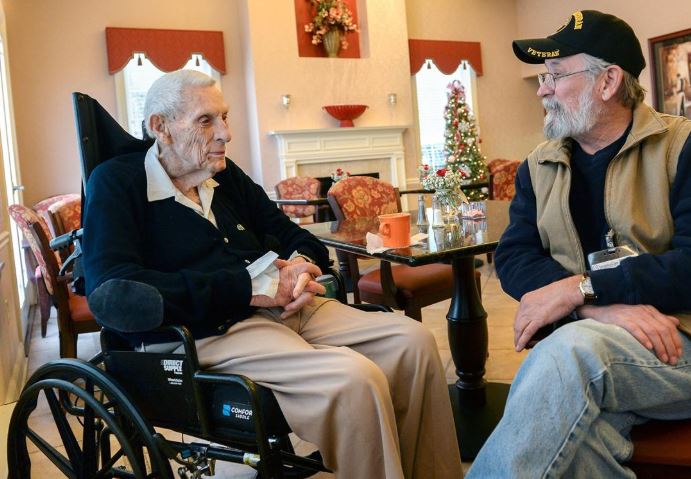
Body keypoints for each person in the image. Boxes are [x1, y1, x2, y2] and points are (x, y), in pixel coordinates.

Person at [82, 69, 463, 479]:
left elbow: (291, 234)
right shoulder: (118, 183)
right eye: (206, 120)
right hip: (212, 328)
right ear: (161, 127)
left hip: (287, 308)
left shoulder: (223, 176)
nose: (225, 133)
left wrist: (302, 265)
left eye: (224, 117)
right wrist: (246, 289)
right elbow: (113, 291)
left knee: (414, 343)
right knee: (354, 380)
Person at [468, 10, 691, 478]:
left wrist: (579, 290)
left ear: (608, 81)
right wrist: (593, 307)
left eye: (553, 74)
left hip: (677, 342)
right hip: (596, 341)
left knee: (569, 354)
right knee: (579, 440)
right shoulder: (538, 165)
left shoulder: (681, 146)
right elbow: (514, 255)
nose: (542, 89)